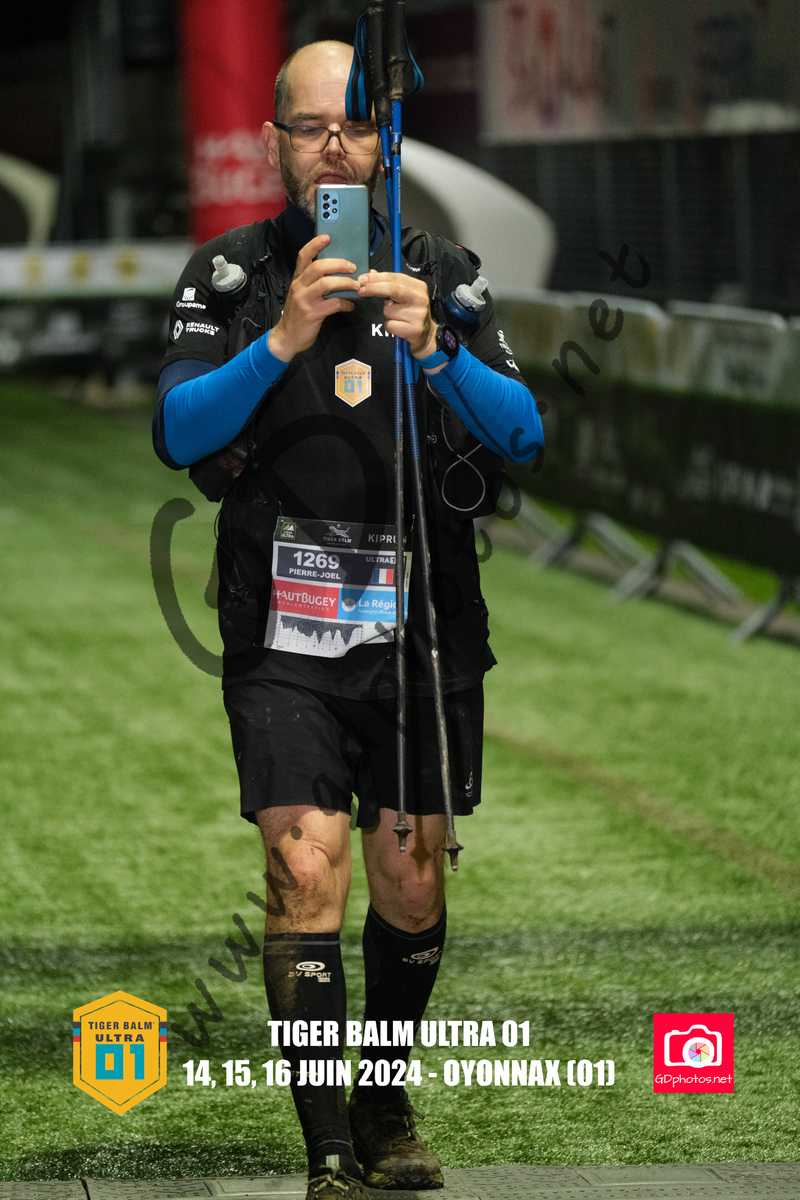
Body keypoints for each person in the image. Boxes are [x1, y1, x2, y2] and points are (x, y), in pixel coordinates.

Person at [153, 39, 543, 1200]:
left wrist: (436, 348)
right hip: (282, 633)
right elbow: (177, 434)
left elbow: (524, 437)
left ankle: (382, 1104)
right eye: (310, 125)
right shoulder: (229, 277)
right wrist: (281, 338)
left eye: (355, 125)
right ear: (272, 140)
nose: (334, 145)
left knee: (410, 883)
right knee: (301, 868)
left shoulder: (439, 273)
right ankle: (327, 1150)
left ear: (386, 142)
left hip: (425, 631)